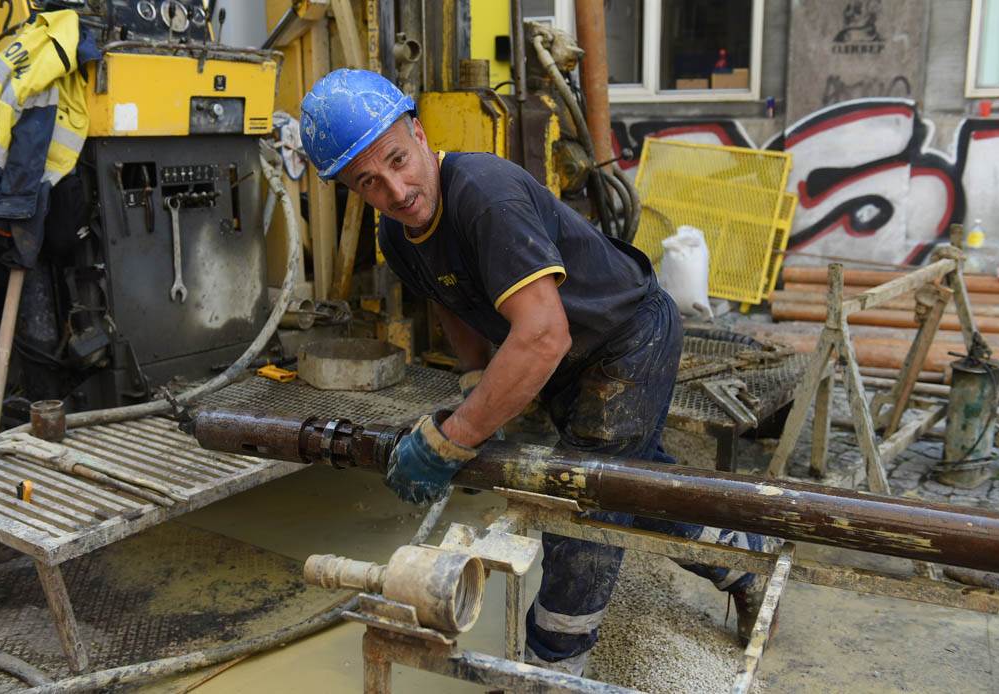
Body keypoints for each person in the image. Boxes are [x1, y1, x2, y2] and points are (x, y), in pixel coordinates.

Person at [300, 69, 775, 676]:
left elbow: (543, 334)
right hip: (566, 360)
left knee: (583, 500)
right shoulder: (397, 235)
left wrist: (452, 438)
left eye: (398, 159)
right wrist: (477, 386)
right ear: (351, 187)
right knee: (631, 483)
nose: (396, 188)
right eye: (369, 181)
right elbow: (451, 298)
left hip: (625, 337)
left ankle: (551, 671)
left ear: (418, 132)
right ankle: (746, 561)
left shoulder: (485, 196)